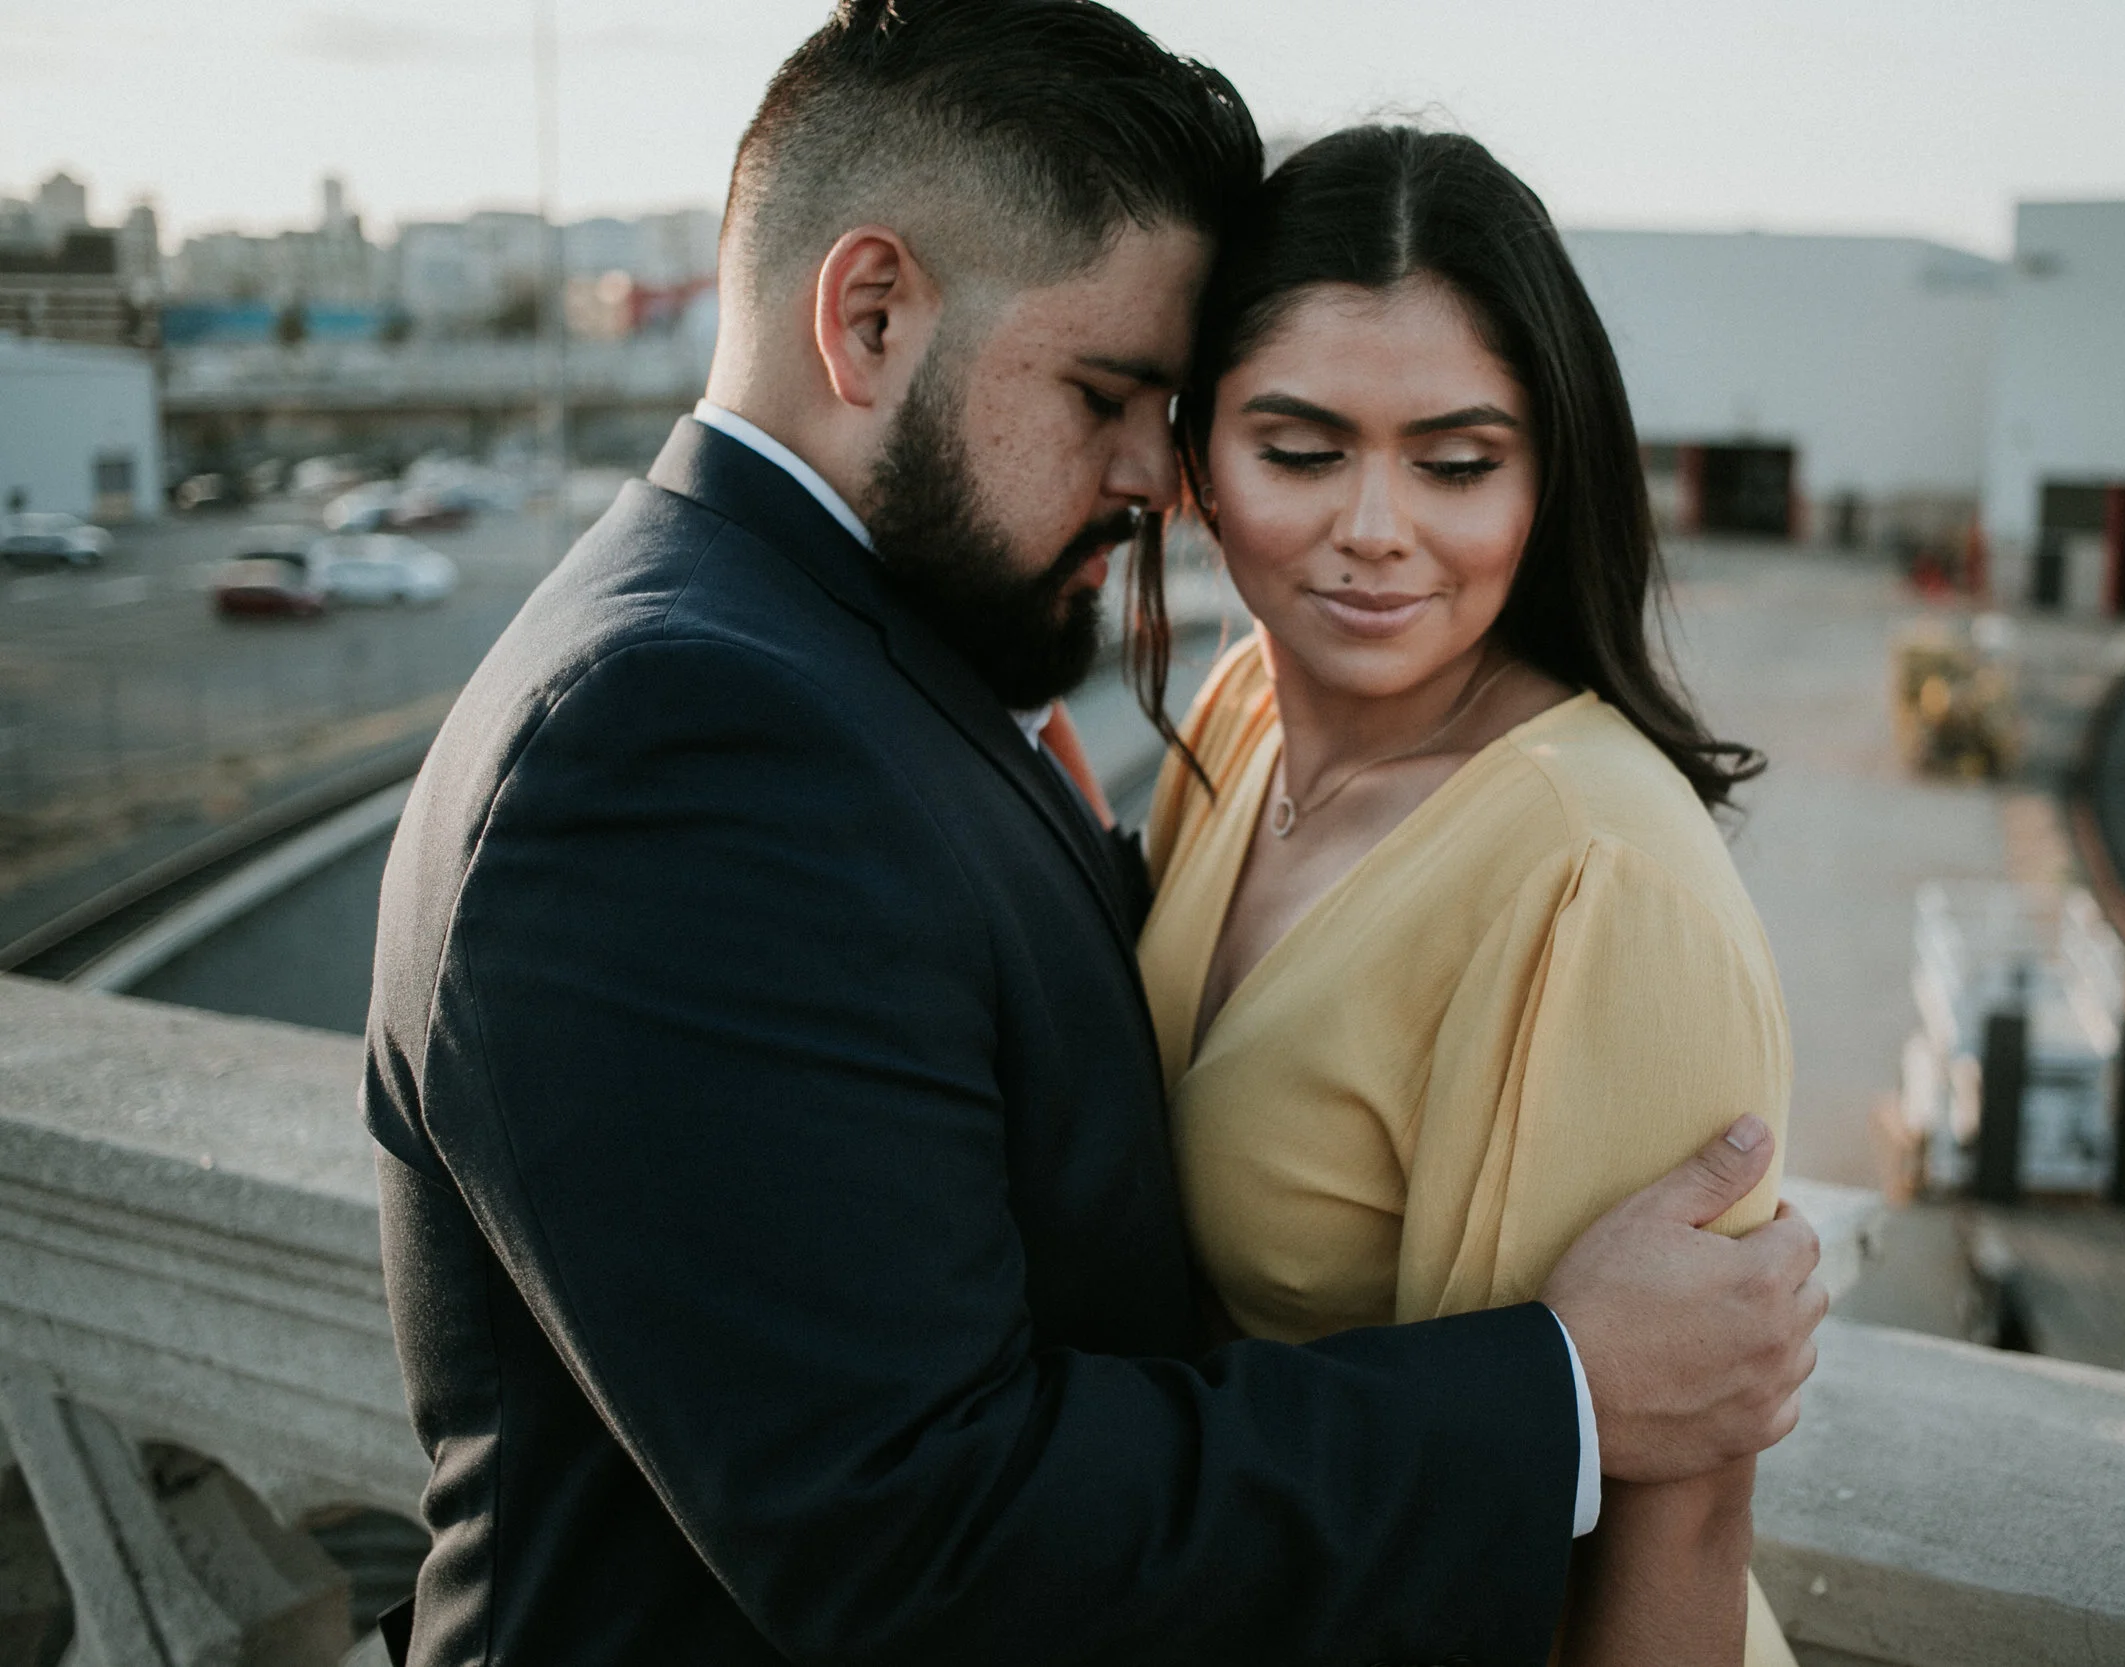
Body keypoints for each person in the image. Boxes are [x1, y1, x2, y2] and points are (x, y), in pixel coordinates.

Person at [362, 5, 1822, 1664]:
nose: (1155, 473)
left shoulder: (816, 655)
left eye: (1456, 458)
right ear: (871, 315)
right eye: (1112, 392)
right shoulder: (688, 734)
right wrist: (1556, 1390)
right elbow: (923, 1525)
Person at [1137, 127, 1801, 1665]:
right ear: (1199, 463)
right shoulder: (1241, 713)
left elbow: (1678, 1516)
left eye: (1455, 462)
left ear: (1548, 477)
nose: (1377, 528)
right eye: (1301, 451)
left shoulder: (1597, 879)